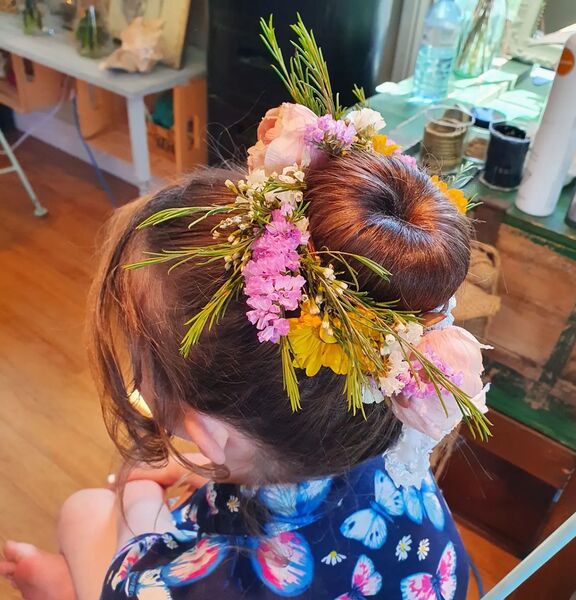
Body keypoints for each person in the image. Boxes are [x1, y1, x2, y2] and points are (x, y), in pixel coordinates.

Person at [1, 18, 491, 600]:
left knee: (85, 510)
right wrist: (198, 470)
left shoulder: (183, 586)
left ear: (210, 436)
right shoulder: (379, 428)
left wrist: (133, 494)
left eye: (142, 365)